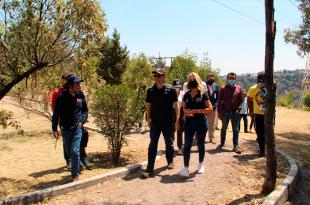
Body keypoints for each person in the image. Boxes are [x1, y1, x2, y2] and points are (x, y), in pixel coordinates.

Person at [142, 68, 179, 178]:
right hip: (155, 122)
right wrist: (148, 119)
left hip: (168, 122)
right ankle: (150, 168)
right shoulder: (150, 90)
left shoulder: (171, 90)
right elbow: (148, 106)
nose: (156, 78)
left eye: (159, 76)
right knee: (152, 144)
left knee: (169, 143)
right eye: (155, 76)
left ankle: (170, 160)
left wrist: (177, 120)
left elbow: (176, 106)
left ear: (164, 77)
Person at [52, 75, 88, 181]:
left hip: (77, 127)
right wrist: (54, 129)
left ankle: (75, 175)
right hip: (65, 128)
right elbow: (56, 114)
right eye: (77, 84)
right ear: (71, 86)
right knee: (69, 152)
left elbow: (85, 110)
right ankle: (79, 164)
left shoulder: (80, 96)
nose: (79, 86)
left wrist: (82, 121)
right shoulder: (61, 97)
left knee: (75, 151)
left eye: (79, 84)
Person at [178, 72, 213, 177]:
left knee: (200, 144)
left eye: (193, 79)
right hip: (189, 123)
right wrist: (187, 111)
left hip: (201, 122)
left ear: (197, 81)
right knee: (187, 145)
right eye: (190, 80)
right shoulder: (186, 95)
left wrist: (196, 111)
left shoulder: (203, 94)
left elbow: (210, 109)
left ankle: (201, 164)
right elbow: (183, 108)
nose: (191, 81)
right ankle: (185, 168)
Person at [217, 72, 243, 154]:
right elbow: (219, 101)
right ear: (227, 79)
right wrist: (219, 112)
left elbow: (241, 101)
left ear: (235, 79)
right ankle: (222, 143)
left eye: (233, 78)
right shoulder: (223, 89)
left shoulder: (239, 89)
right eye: (230, 78)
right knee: (224, 128)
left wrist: (239, 108)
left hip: (235, 113)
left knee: (235, 129)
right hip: (225, 112)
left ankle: (235, 146)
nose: (232, 80)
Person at [51, 72, 72, 168]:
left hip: (75, 120)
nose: (67, 81)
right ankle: (69, 161)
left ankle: (79, 159)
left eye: (69, 79)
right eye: (66, 79)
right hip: (64, 121)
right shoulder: (57, 92)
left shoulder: (75, 91)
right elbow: (54, 109)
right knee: (66, 141)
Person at [247, 72, 267, 157]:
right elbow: (249, 100)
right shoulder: (253, 89)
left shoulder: (269, 88)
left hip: (268, 114)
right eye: (260, 80)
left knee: (267, 132)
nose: (261, 82)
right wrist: (251, 111)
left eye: (263, 80)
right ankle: (262, 150)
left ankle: (267, 147)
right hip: (258, 114)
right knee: (259, 131)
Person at [205, 74, 219, 143]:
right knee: (201, 122)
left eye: (212, 79)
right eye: (210, 79)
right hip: (204, 107)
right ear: (207, 79)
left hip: (213, 107)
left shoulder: (216, 86)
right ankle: (198, 136)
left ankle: (211, 138)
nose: (211, 80)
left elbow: (217, 97)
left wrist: (215, 105)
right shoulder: (203, 85)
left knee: (212, 123)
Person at [172, 79, 185, 155]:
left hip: (181, 112)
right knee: (172, 131)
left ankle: (180, 147)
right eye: (175, 87)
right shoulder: (170, 93)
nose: (177, 88)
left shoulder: (183, 94)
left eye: (178, 87)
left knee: (180, 131)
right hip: (172, 113)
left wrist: (184, 115)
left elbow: (184, 105)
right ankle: (171, 148)